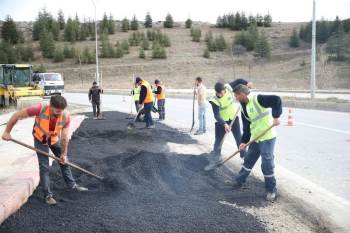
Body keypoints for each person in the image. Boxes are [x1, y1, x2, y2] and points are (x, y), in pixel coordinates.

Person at [1, 95, 88, 205]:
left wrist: (64, 154)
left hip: (54, 139)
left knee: (64, 162)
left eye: (61, 111)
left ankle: (72, 185)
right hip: (40, 138)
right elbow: (17, 115)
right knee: (44, 166)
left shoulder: (65, 116)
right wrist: (7, 132)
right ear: (50, 106)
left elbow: (65, 138)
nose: (59, 113)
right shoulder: (39, 108)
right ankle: (47, 195)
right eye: (57, 111)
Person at [233, 84, 282, 202]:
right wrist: (243, 142)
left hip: (267, 137)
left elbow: (277, 100)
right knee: (248, 160)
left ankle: (271, 190)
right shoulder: (243, 107)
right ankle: (239, 181)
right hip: (255, 138)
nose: (235, 98)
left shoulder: (258, 99)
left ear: (242, 94)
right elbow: (246, 127)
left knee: (266, 163)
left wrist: (276, 117)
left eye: (236, 96)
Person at [208, 82, 245, 166]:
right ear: (217, 92)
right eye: (220, 93)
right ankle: (216, 158)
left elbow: (239, 81)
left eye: (223, 92)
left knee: (239, 138)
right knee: (218, 141)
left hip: (233, 118)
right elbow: (216, 115)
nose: (222, 94)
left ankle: (243, 157)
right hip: (221, 122)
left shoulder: (228, 88)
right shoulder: (214, 100)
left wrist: (246, 83)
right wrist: (224, 124)